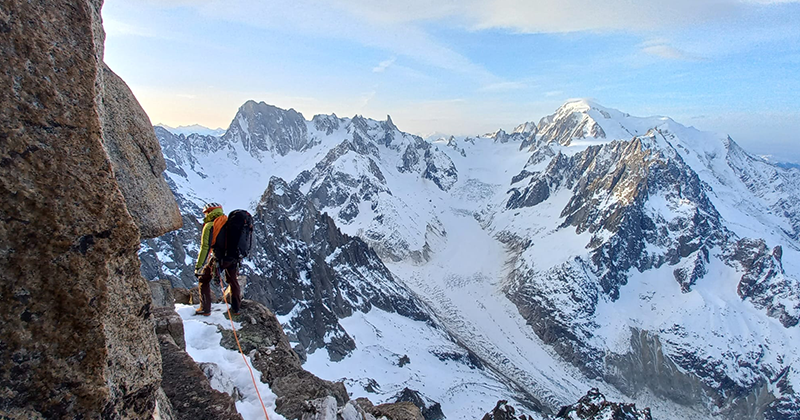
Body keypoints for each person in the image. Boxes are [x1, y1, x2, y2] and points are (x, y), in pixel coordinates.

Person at [193, 202, 241, 316]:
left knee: (204, 279)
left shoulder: (210, 225)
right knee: (233, 281)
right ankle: (236, 309)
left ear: (209, 212)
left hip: (218, 258)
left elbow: (205, 247)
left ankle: (205, 309)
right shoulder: (227, 221)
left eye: (206, 213)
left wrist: (198, 266)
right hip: (233, 257)